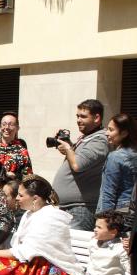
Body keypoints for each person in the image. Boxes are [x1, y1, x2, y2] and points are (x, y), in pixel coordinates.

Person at [53, 99, 109, 231]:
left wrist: (68, 149)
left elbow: (78, 165)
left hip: (81, 209)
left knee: (75, 249)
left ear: (97, 118)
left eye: (83, 116)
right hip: (69, 208)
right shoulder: (87, 137)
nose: (78, 120)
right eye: (77, 116)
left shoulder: (100, 140)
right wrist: (69, 148)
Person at [97, 113, 137, 213]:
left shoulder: (115, 157)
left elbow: (108, 193)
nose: (106, 133)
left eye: (111, 130)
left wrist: (104, 218)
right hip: (132, 212)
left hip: (119, 214)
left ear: (124, 133)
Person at [0, 112, 32, 180]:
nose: (7, 127)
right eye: (4, 124)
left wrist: (15, 176)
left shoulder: (22, 152)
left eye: (11, 124)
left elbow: (29, 177)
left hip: (13, 188)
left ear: (17, 128)